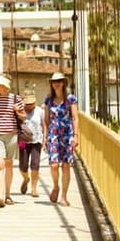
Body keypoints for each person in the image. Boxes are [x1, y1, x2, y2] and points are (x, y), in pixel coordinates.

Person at [0, 74, 25, 207]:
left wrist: (17, 111)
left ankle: (7, 195)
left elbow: (24, 117)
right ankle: (1, 196)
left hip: (12, 135)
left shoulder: (16, 99)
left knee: (8, 165)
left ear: (5, 87)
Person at [44, 72, 79, 207]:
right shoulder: (48, 100)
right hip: (53, 134)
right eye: (54, 81)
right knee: (53, 165)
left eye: (59, 81)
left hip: (67, 135)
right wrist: (45, 137)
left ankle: (63, 196)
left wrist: (76, 136)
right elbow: (46, 120)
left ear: (64, 83)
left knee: (65, 165)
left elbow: (75, 117)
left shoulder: (71, 99)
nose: (56, 83)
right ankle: (56, 186)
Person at [18, 91, 46, 197]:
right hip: (23, 141)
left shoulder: (40, 111)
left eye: (31, 104)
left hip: (36, 140)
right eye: (27, 104)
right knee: (23, 166)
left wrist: (44, 138)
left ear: (35, 102)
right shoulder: (20, 111)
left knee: (35, 164)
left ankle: (34, 189)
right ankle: (26, 179)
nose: (29, 106)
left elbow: (44, 125)